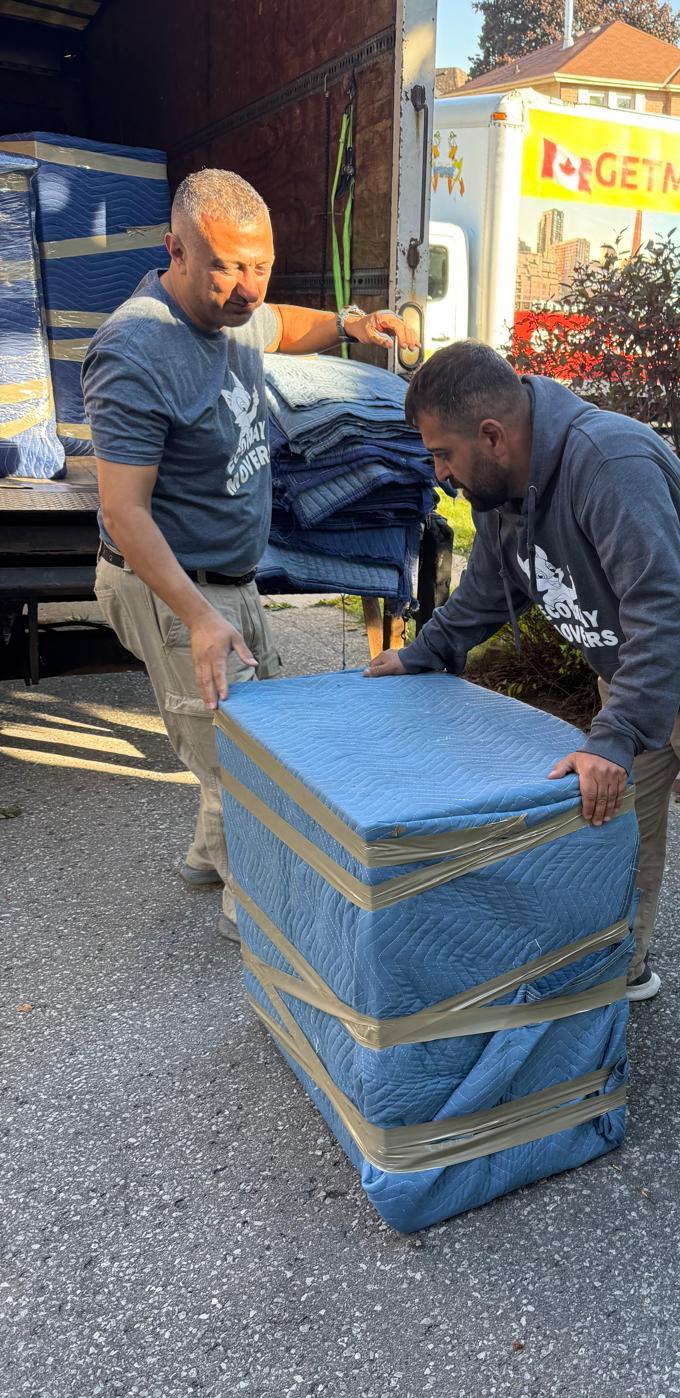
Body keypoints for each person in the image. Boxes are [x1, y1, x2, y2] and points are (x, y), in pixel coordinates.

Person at [364, 340, 680, 998]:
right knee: (621, 832)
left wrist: (615, 733)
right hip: (633, 679)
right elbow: (487, 589)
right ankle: (625, 960)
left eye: (442, 453)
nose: (441, 473)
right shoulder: (503, 488)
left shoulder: (610, 463)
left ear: (492, 435)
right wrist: (424, 652)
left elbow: (662, 609)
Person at [82, 167, 418, 944]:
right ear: (175, 250)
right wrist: (199, 618)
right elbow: (124, 513)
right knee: (248, 769)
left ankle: (208, 856)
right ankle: (263, 919)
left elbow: (279, 327)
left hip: (229, 579)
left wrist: (351, 324)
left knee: (243, 730)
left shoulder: (233, 314)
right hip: (174, 590)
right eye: (226, 267)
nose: (246, 288)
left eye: (259, 265)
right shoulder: (138, 349)